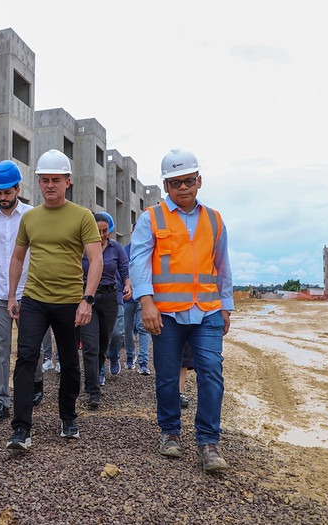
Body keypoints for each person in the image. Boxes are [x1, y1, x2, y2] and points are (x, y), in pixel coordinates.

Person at [129, 148, 234, 472]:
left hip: (207, 310)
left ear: (199, 180)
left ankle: (208, 442)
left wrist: (226, 306)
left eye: (188, 180)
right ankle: (170, 432)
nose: (183, 187)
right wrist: (146, 303)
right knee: (167, 377)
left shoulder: (214, 220)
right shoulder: (151, 218)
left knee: (211, 373)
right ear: (166, 186)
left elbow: (222, 265)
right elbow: (138, 262)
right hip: (166, 313)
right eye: (175, 183)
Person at [5, 149, 103, 449]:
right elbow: (17, 257)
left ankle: (68, 417)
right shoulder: (30, 217)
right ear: (38, 182)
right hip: (34, 299)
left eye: (55, 180)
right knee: (26, 358)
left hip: (70, 301)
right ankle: (21, 428)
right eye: (45, 180)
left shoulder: (82, 216)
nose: (50, 185)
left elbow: (96, 260)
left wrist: (87, 300)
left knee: (70, 362)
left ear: (67, 181)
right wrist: (12, 295)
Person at [0, 160, 45, 426]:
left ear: (17, 190)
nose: (3, 197)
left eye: (7, 192)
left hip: (28, 292)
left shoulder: (33, 216)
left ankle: (37, 381)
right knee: (0, 348)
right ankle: (2, 401)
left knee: (31, 346)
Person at [81, 211, 130, 409]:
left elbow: (124, 270)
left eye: (105, 231)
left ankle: (95, 374)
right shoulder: (82, 248)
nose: (101, 235)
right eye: (98, 231)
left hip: (110, 298)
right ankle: (93, 390)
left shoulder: (116, 248)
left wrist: (128, 285)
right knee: (90, 345)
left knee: (103, 344)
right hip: (88, 298)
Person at [123, 241, 152, 376]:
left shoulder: (149, 250)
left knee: (143, 327)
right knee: (127, 327)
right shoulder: (125, 251)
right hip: (128, 296)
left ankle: (143, 362)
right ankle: (130, 355)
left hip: (144, 294)